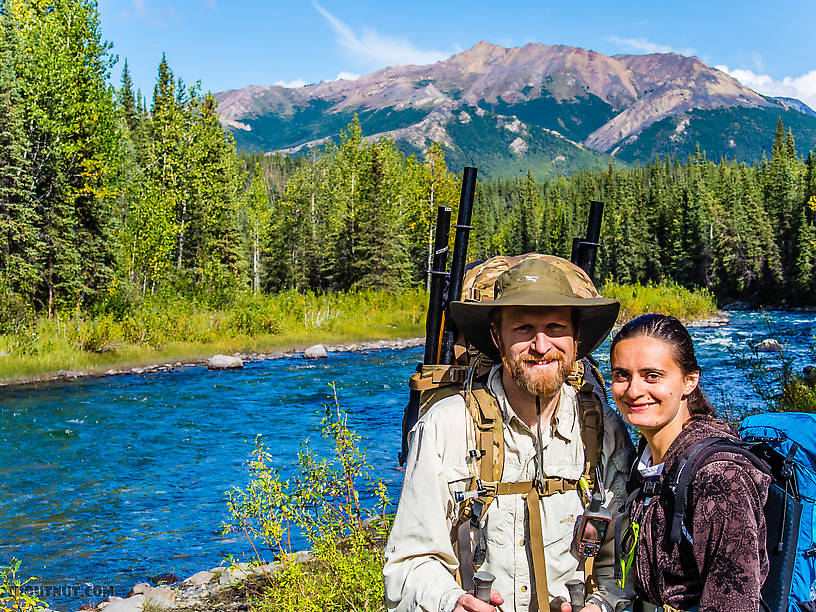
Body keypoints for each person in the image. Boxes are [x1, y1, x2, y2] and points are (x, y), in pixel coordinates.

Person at [384, 257, 635, 612]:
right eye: (523, 328)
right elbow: (409, 563)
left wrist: (602, 605)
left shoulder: (602, 430)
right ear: (496, 336)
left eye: (555, 326)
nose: (541, 344)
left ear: (576, 336)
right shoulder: (447, 426)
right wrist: (452, 602)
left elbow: (624, 563)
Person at [609, 314, 771, 612]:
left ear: (689, 381)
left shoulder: (719, 478)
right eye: (622, 375)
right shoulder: (648, 462)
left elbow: (734, 603)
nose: (633, 391)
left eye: (652, 376)